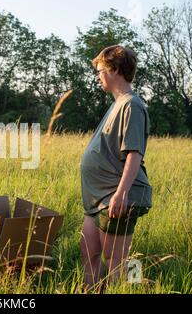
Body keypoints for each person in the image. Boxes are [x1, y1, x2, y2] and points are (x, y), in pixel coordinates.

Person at [80, 45, 152, 290]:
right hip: (98, 198)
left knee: (117, 260)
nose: (98, 76)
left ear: (114, 69)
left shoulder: (132, 105)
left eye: (100, 70)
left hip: (116, 195)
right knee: (88, 248)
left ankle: (134, 287)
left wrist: (121, 193)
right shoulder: (117, 104)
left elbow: (134, 153)